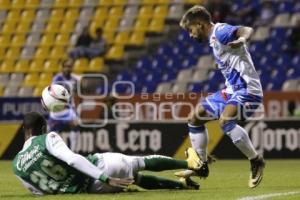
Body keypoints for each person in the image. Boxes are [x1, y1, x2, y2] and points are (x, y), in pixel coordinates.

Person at [177, 5, 265, 188]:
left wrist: (242, 39)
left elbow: (246, 29)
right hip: (232, 90)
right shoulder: (213, 40)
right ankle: (201, 165)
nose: (190, 35)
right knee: (195, 118)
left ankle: (256, 160)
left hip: (248, 89)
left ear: (200, 24)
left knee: (225, 122)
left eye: (190, 29)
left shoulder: (221, 32)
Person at [12, 112, 202, 195]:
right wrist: (104, 176)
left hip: (91, 191)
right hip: (101, 170)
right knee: (139, 162)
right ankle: (191, 164)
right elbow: (71, 159)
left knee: (137, 179)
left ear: (23, 130)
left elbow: (41, 192)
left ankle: (182, 186)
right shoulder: (46, 138)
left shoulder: (16, 165)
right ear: (43, 127)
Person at [50, 59, 80, 151]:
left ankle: (73, 152)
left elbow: (76, 94)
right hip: (58, 109)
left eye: (69, 67)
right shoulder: (57, 79)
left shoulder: (74, 80)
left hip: (69, 109)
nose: (67, 69)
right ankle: (52, 151)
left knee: (75, 126)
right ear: (62, 68)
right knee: (53, 132)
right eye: (66, 66)